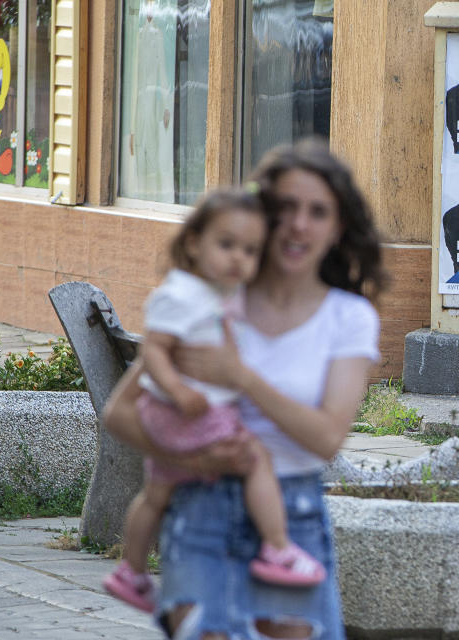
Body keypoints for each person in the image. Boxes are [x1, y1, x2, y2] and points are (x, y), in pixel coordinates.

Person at [102, 139, 385, 640]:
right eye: (287, 209)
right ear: (263, 216)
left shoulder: (348, 318)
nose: (300, 224)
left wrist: (241, 378)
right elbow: (120, 414)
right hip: (200, 508)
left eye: (318, 212)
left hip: (290, 521)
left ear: (338, 227)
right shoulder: (209, 301)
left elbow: (326, 439)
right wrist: (192, 462)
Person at [102, 188, 327, 613]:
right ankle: (277, 547)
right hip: (183, 412)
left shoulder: (220, 296)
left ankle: (130, 570)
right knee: (255, 457)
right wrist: (179, 390)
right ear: (193, 243)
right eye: (227, 245)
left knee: (156, 492)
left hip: (175, 413)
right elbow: (155, 351)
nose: (238, 258)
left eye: (250, 250)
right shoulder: (182, 292)